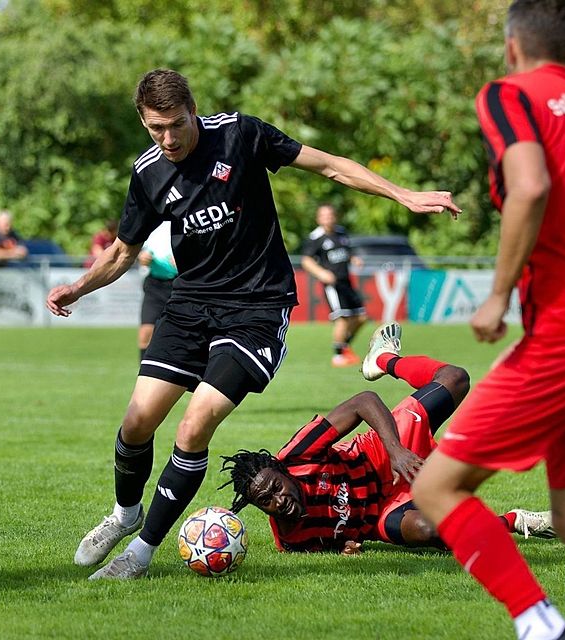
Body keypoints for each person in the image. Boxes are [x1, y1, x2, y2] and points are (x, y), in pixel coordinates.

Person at [45, 68, 460, 580]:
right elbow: (122, 252)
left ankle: (141, 553)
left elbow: (329, 166)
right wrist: (78, 288)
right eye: (157, 129)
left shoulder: (241, 135)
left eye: (176, 124)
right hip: (192, 304)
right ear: (144, 123)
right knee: (136, 422)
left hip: (258, 309)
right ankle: (124, 515)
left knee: (195, 425)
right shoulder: (149, 172)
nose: (169, 138)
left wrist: (404, 195)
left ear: (193, 109)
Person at [410, 3, 565, 639]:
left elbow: (531, 185)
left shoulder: (510, 94)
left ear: (513, 45)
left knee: (436, 488)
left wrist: (498, 294)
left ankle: (540, 626)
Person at [220, 322, 555, 554]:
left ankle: (382, 358)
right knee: (431, 531)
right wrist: (344, 548)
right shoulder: (291, 540)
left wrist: (395, 451)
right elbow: (327, 543)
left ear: (282, 471)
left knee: (455, 379)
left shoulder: (296, 456)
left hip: (385, 453)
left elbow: (363, 402)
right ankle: (518, 521)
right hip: (383, 512)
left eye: (276, 488)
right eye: (266, 501)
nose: (278, 501)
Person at [301, 203, 367, 367]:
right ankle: (338, 356)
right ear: (318, 218)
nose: (327, 218)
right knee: (342, 319)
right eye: (323, 215)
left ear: (334, 216)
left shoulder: (341, 232)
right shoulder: (316, 237)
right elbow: (306, 260)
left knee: (361, 317)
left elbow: (348, 251)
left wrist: (354, 259)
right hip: (333, 285)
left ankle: (344, 346)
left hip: (346, 281)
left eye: (330, 215)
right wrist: (321, 273)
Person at [137, 220, 177, 360]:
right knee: (145, 333)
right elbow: (139, 250)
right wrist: (142, 257)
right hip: (155, 284)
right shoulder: (152, 221)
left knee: (178, 336)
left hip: (181, 284)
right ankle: (144, 377)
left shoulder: (185, 217)